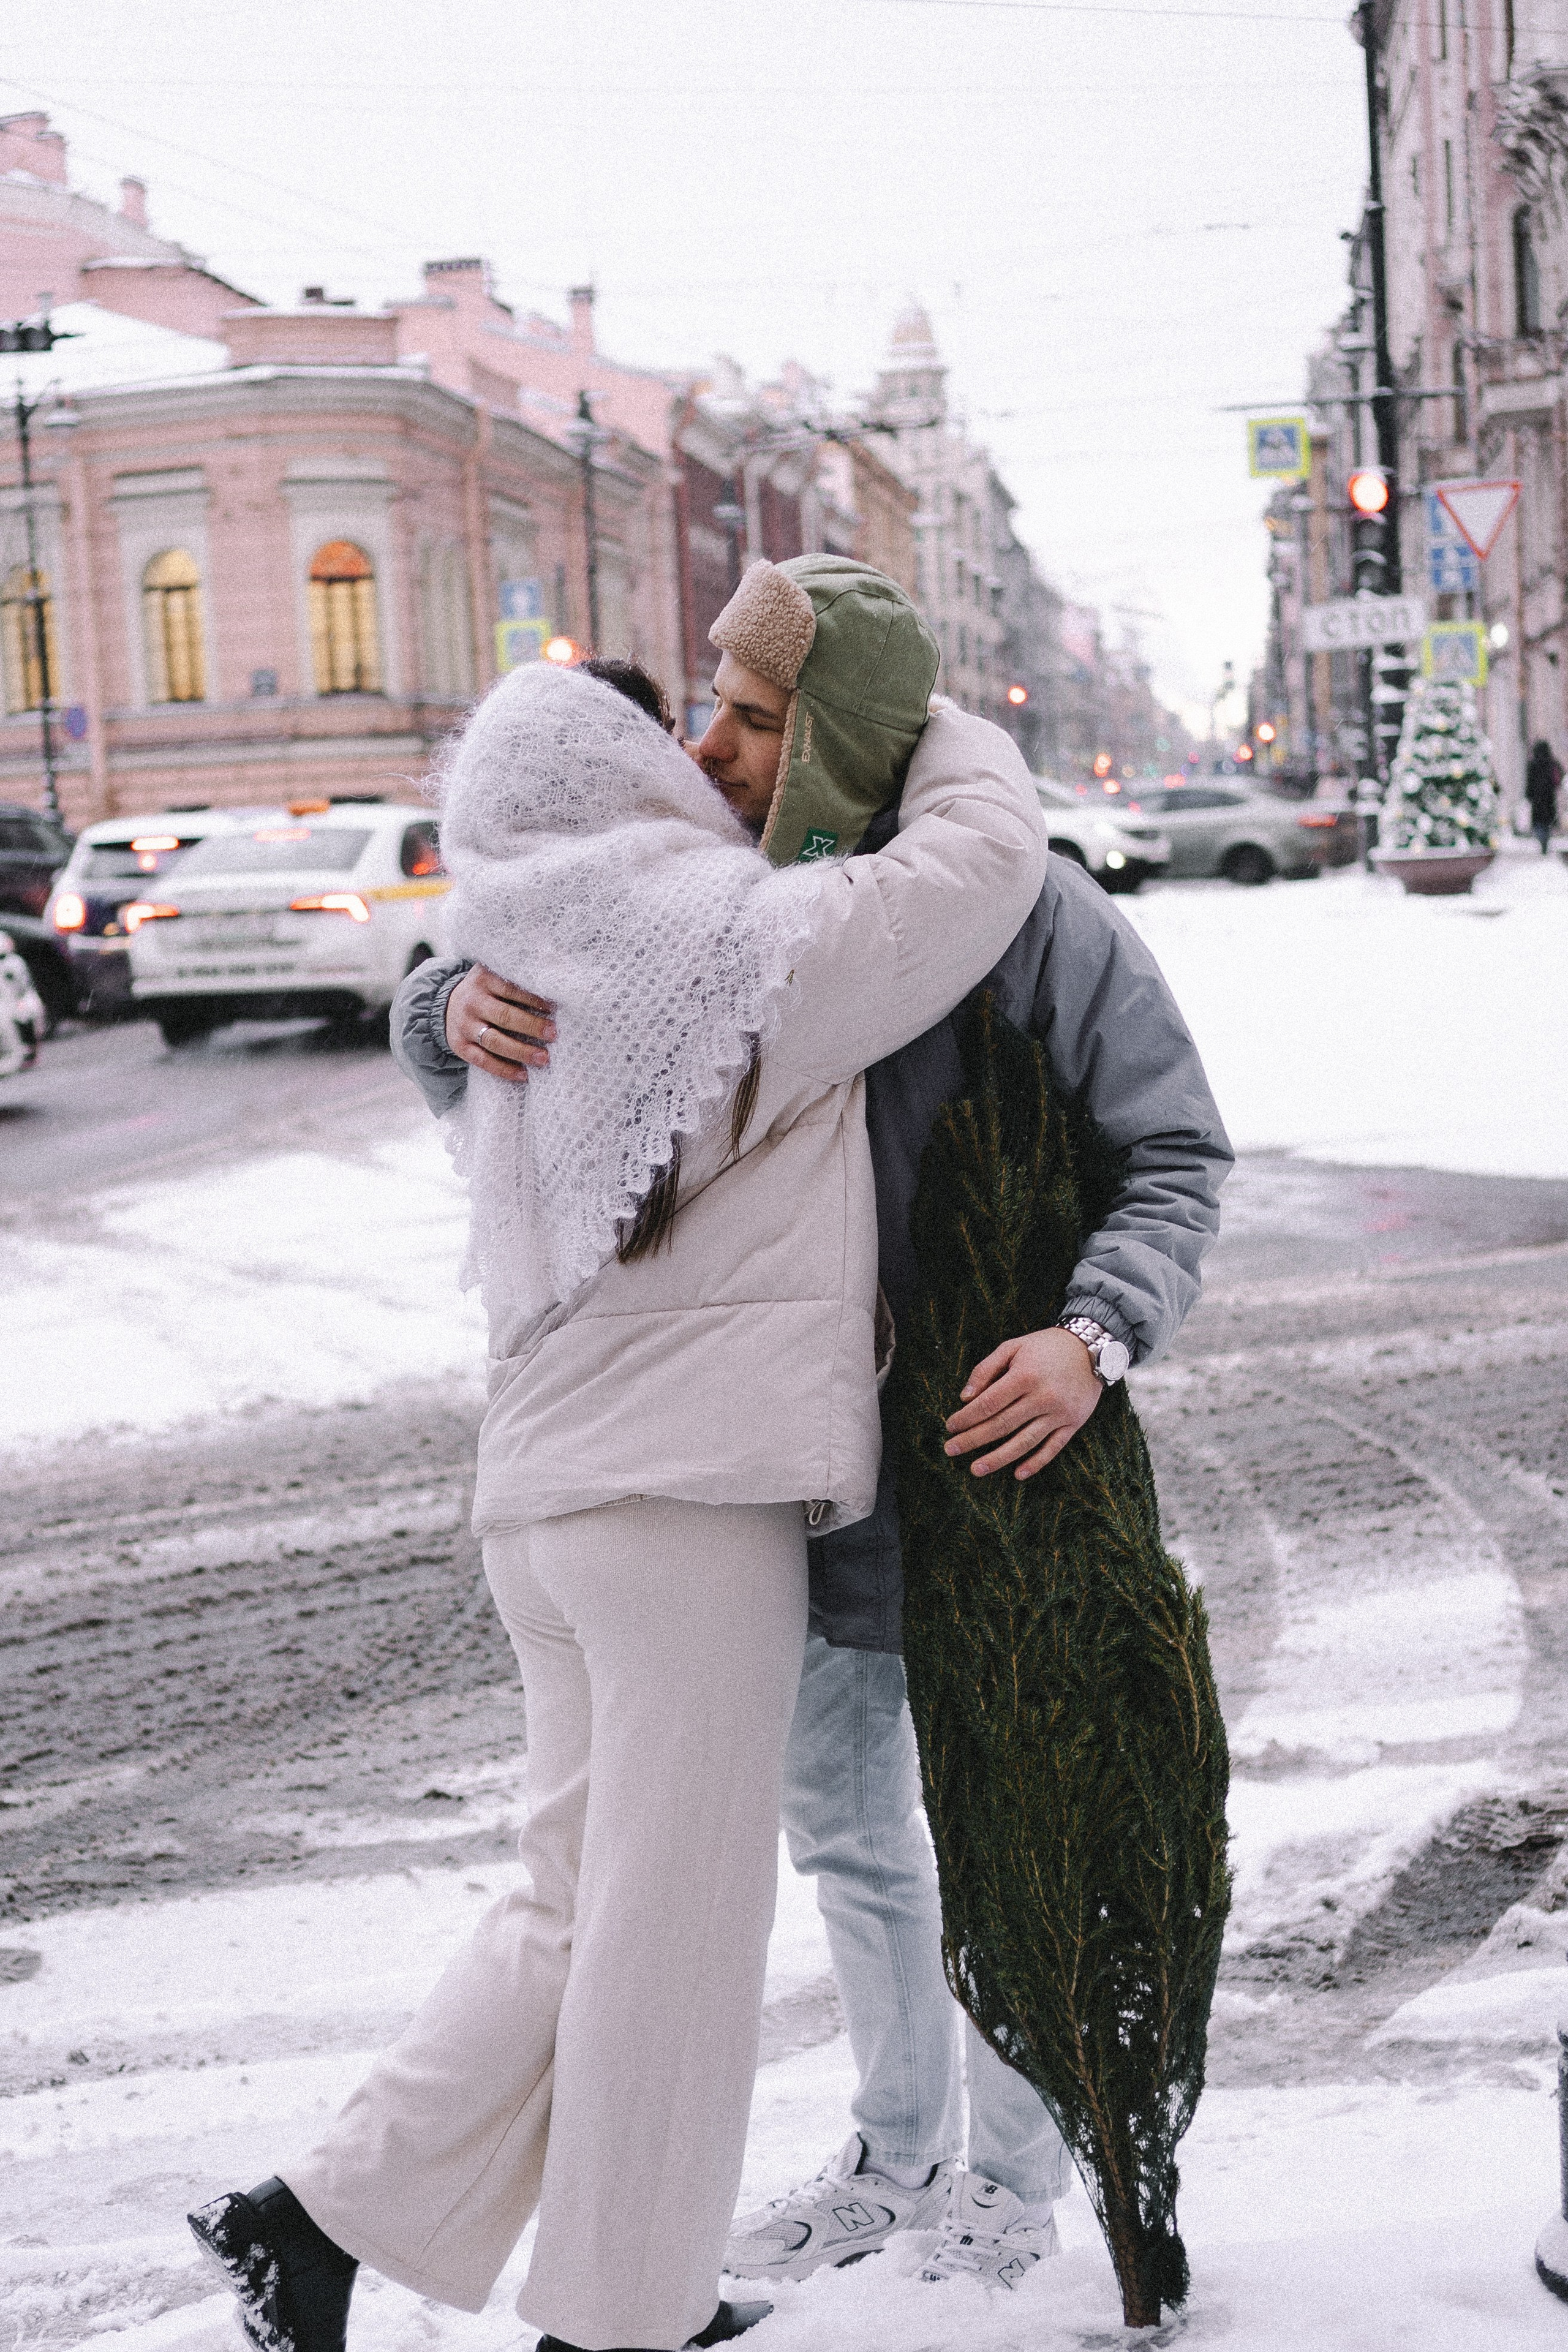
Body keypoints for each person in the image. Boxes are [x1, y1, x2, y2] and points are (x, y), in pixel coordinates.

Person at [188, 571, 1048, 2352]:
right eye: (678, 731)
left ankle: (318, 2219)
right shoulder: (737, 944)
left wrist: (433, 999)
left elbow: (460, 1038)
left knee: (573, 1891)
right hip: (682, 1508)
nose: (700, 750)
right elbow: (976, 866)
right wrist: (911, 711)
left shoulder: (523, 945)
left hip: (547, 1500)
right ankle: (619, 2316)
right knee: (674, 1929)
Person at [398, 564, 1232, 2297]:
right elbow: (530, 988)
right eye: (714, 701)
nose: (711, 746)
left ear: (843, 735)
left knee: (1006, 1816)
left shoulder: (1033, 919)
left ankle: (1011, 2180)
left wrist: (1090, 1338)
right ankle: (896, 2146)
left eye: (757, 716)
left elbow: (1176, 1152)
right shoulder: (708, 898)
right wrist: (438, 1003)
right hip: (771, 1488)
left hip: (1001, 1469)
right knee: (845, 1837)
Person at [1526, 738, 1562, 855]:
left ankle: (1543, 841)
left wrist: (1529, 795)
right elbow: (1560, 776)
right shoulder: (1552, 763)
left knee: (1539, 822)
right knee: (1547, 822)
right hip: (1549, 798)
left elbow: (1529, 782)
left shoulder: (1533, 764)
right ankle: (1545, 842)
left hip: (1537, 798)